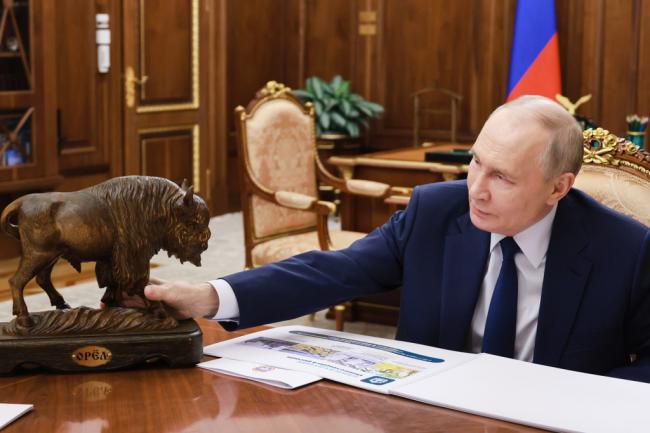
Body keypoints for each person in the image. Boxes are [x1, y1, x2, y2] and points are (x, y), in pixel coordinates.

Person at [144, 95, 650, 382]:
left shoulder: (626, 251)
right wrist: (210, 296)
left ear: (558, 188)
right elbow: (336, 271)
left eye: (502, 177)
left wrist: (579, 401)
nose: (476, 188)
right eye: (476, 162)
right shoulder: (435, 212)